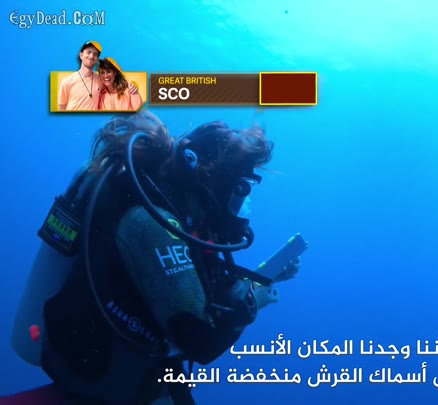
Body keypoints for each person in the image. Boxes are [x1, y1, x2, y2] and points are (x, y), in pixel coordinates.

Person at [9, 111, 300, 404]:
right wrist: (255, 300)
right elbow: (203, 340)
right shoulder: (153, 225)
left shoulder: (173, 216)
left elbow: (197, 293)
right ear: (216, 180)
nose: (245, 203)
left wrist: (264, 278)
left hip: (114, 367)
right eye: (243, 188)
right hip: (106, 381)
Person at [58, 41, 104, 111]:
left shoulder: (101, 80)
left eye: (95, 54)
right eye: (88, 52)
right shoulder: (66, 82)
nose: (91, 56)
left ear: (97, 59)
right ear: (81, 55)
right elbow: (61, 109)